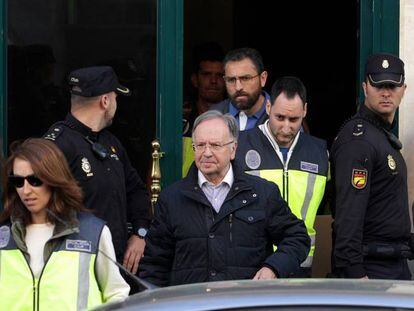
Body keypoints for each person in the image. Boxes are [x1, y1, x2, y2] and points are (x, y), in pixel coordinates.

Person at [139, 110, 310, 286]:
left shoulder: (262, 193)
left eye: (215, 145)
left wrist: (273, 268)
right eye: (200, 145)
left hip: (246, 303)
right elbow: (154, 266)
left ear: (233, 149)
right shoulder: (171, 199)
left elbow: (297, 237)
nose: (206, 153)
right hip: (193, 304)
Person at [44, 66, 151, 276]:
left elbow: (136, 191)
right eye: (115, 98)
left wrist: (140, 233)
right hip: (74, 266)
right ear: (105, 101)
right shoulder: (57, 146)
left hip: (117, 264)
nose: (116, 105)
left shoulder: (111, 143)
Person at [0, 138, 129, 310]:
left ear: (53, 178)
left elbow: (117, 294)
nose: (26, 190)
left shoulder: (92, 232)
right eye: (18, 181)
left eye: (35, 180)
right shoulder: (4, 236)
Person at [236, 76, 329, 277]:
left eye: (294, 119)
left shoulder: (320, 152)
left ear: (305, 110)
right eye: (280, 117)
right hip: (254, 264)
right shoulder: (240, 146)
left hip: (300, 262)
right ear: (268, 107)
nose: (286, 127)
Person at [331, 53, 412, 279]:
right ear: (365, 87)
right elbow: (348, 217)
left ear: (404, 89)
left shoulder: (380, 137)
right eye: (378, 85)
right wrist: (355, 276)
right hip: (370, 270)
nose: (386, 93)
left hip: (391, 265)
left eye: (392, 86)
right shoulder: (359, 140)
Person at [183, 42, 226, 176]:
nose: (213, 81)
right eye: (207, 74)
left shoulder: (234, 120)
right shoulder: (181, 121)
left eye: (219, 75)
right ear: (195, 80)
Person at [210, 47, 269, 131]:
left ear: (263, 78)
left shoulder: (281, 115)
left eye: (245, 78)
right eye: (231, 80)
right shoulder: (214, 115)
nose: (238, 87)